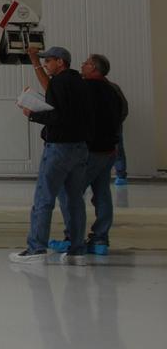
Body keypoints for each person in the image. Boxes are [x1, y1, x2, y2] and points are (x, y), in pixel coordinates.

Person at [10, 45, 91, 263]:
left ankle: (36, 248)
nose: (46, 65)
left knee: (44, 199)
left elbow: (58, 116)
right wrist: (35, 60)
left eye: (49, 61)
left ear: (60, 62)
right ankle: (77, 249)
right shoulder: (80, 83)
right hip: (80, 148)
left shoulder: (58, 83)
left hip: (59, 148)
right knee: (74, 200)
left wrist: (32, 113)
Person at [50, 53, 127, 255]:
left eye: (85, 63)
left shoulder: (85, 89)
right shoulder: (113, 89)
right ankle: (100, 240)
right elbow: (122, 113)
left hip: (90, 151)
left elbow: (72, 113)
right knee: (102, 193)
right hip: (109, 150)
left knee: (69, 193)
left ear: (93, 68)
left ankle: (72, 238)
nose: (82, 66)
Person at [108, 72, 130, 186]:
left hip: (113, 126)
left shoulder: (112, 87)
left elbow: (123, 107)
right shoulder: (85, 86)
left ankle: (121, 175)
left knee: (118, 150)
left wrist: (117, 122)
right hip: (98, 127)